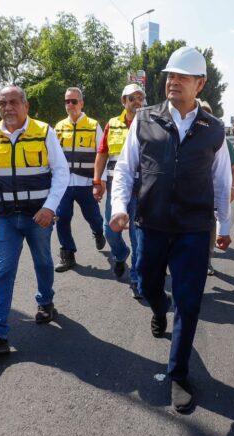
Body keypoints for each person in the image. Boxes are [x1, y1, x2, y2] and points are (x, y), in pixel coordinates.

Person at [110, 46, 231, 412]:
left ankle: (178, 373)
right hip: (151, 225)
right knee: (147, 284)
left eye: (181, 76)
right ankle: (159, 309)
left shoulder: (214, 130)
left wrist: (224, 223)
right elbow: (124, 169)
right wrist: (119, 208)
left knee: (190, 301)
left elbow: (222, 181)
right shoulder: (144, 119)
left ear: (200, 84)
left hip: (194, 229)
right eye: (169, 76)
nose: (172, 82)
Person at [0, 85, 70, 354]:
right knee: (3, 271)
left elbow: (62, 172)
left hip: (37, 216)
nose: (7, 108)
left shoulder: (44, 131)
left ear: (26, 106)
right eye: (2, 103)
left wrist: (50, 208)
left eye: (13, 102)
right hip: (4, 218)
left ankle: (46, 302)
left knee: (43, 261)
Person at [92, 83, 146, 298]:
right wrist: (97, 181)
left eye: (139, 97)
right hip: (117, 187)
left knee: (137, 235)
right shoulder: (112, 124)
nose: (136, 102)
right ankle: (120, 253)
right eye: (131, 98)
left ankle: (136, 276)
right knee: (109, 229)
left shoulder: (150, 124)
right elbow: (102, 154)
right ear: (123, 102)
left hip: (142, 189)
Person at [53, 87, 105, 272]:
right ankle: (68, 254)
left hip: (86, 183)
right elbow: (53, 156)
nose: (70, 105)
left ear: (81, 103)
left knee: (93, 217)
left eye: (74, 101)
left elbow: (101, 154)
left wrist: (100, 181)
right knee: (62, 217)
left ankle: (99, 231)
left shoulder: (93, 125)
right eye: (67, 101)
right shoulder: (58, 127)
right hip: (64, 184)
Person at [199, 100, 234, 276]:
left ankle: (206, 260)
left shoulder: (220, 139)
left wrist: (233, 188)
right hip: (186, 199)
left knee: (208, 230)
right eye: (201, 112)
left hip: (211, 196)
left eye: (207, 113)